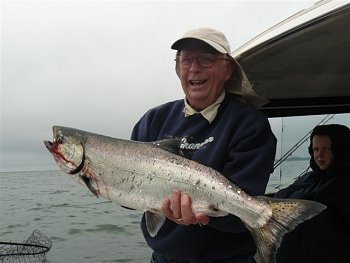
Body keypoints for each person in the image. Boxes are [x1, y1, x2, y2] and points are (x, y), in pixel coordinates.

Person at [131, 27, 277, 263]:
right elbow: (130, 193)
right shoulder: (153, 120)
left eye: (206, 59)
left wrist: (203, 211)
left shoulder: (249, 124)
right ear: (177, 67)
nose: (194, 68)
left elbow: (241, 217)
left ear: (227, 68)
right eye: (186, 60)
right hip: (164, 258)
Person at [274, 124, 350, 263]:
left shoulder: (344, 183)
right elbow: (279, 197)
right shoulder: (309, 177)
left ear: (340, 149)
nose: (319, 155)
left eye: (326, 148)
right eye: (315, 149)